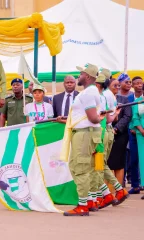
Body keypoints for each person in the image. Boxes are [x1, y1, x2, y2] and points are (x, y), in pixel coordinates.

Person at [63, 63, 105, 217]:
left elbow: (93, 118)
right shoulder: (91, 92)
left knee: (80, 168)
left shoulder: (87, 93)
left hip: (84, 133)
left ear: (87, 76)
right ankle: (87, 201)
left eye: (80, 74)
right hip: (84, 132)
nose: (78, 76)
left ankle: (83, 205)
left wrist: (99, 117)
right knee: (78, 166)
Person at [92, 73, 128, 210]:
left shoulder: (103, 95)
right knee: (101, 164)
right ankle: (117, 190)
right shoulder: (107, 95)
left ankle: (99, 196)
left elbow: (104, 118)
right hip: (105, 130)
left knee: (97, 165)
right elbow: (110, 118)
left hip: (101, 131)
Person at [107, 78, 132, 187]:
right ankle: (109, 191)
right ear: (107, 87)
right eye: (114, 85)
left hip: (120, 135)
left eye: (118, 85)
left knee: (119, 163)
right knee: (107, 163)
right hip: (106, 133)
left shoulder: (124, 99)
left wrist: (116, 129)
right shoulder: (103, 99)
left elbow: (127, 116)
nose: (117, 88)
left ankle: (119, 190)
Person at [127, 76, 144, 196]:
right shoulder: (137, 101)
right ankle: (137, 185)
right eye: (136, 83)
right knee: (137, 160)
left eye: (140, 83)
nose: (139, 85)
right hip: (138, 133)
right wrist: (140, 129)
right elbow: (134, 116)